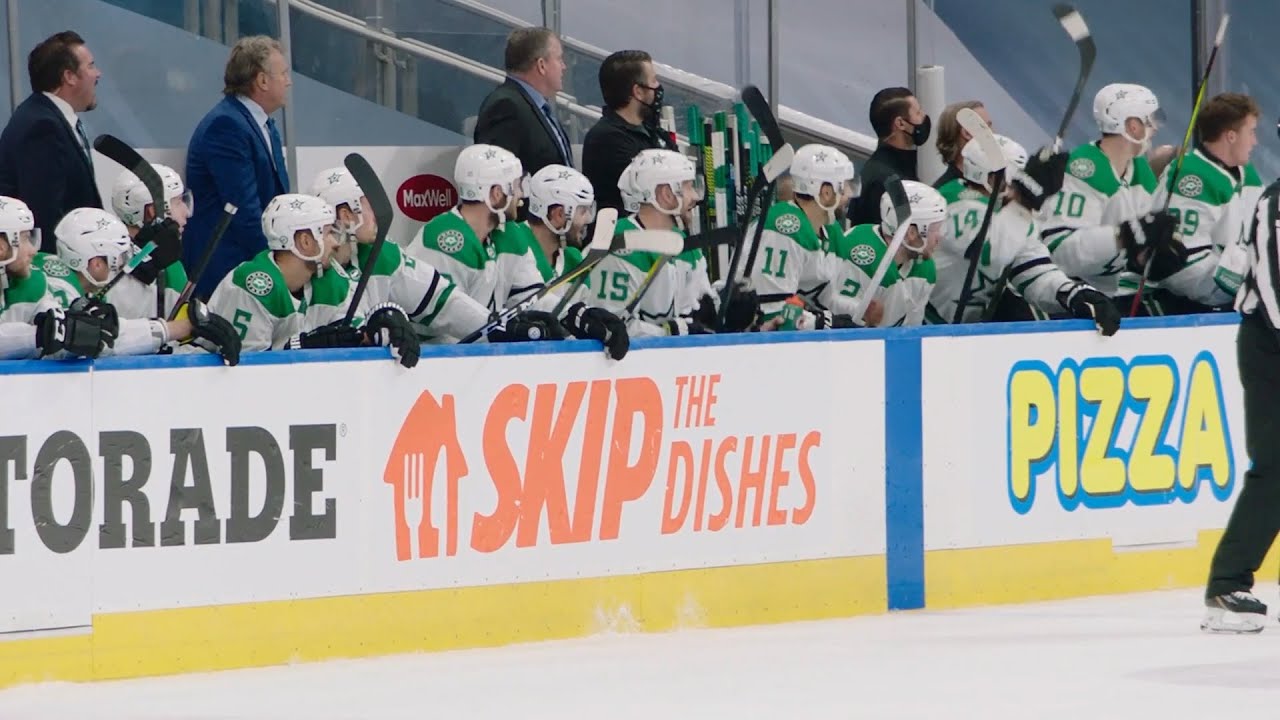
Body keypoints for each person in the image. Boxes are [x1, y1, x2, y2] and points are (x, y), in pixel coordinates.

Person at [408, 144, 629, 356]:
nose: (521, 196)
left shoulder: (509, 235)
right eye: (514, 187)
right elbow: (445, 315)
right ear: (496, 194)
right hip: (429, 364)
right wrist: (502, 328)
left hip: (475, 361)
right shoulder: (444, 238)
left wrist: (577, 316)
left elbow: (532, 298)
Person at [930, 136, 1118, 336]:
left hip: (964, 335)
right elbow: (991, 251)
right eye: (1015, 178)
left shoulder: (1011, 217)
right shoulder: (950, 204)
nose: (1017, 185)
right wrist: (1024, 202)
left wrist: (1071, 294)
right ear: (990, 178)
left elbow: (1033, 272)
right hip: (925, 329)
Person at [1200, 163, 1280, 634]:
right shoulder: (1274, 203)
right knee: (1275, 465)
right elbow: (1273, 290)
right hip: (1269, 347)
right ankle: (1227, 584)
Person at [206, 192, 417, 366]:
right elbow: (243, 368)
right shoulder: (254, 284)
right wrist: (301, 346)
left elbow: (354, 333)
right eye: (327, 233)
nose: (335, 242)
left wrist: (386, 321)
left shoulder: (329, 277)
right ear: (305, 241)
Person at [309, 166, 496, 343]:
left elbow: (440, 302)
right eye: (369, 204)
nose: (377, 212)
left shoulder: (381, 253)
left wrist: (496, 326)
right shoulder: (315, 273)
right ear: (347, 215)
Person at [1039, 83, 1186, 307]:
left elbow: (1143, 237)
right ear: (1133, 126)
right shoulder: (1083, 170)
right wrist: (1122, 237)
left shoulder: (1139, 168)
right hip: (1068, 304)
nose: (1156, 128)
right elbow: (1060, 253)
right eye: (1151, 120)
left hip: (1113, 296)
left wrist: (1155, 254)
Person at [40, 207, 239, 363]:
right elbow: (101, 338)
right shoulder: (60, 292)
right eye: (118, 257)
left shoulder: (70, 278)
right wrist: (176, 328)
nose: (123, 264)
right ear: (96, 263)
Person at [185, 36, 292, 301]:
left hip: (253, 265)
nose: (288, 81)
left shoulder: (264, 124)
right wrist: (279, 264)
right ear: (262, 81)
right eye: (284, 74)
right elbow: (244, 212)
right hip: (228, 273)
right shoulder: (226, 127)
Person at [1148, 93, 1263, 315]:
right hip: (1181, 309)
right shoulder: (1191, 177)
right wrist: (1246, 288)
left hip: (1232, 301)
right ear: (1231, 136)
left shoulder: (1247, 173)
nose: (1255, 141)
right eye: (1251, 132)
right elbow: (1180, 266)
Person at [585, 148, 707, 336]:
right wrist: (670, 332)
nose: (696, 197)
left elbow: (696, 311)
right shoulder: (619, 244)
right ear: (667, 194)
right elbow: (612, 328)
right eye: (688, 187)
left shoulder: (686, 247)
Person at [0, 31, 103, 251]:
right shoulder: (42, 127)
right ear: (69, 76)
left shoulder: (49, 118)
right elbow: (44, 216)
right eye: (91, 66)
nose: (98, 74)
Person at [734, 143, 854, 327]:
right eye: (843, 188)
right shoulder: (783, 228)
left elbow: (825, 298)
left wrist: (861, 311)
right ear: (826, 192)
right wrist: (825, 322)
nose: (849, 195)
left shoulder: (829, 230)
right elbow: (774, 314)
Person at [0, 196, 113, 359]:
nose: (33, 251)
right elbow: (44, 335)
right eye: (24, 238)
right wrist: (38, 335)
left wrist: (84, 327)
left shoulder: (31, 283)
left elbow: (59, 335)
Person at [581, 50, 677, 212]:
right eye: (653, 81)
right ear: (638, 91)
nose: (658, 87)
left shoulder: (653, 131)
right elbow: (654, 192)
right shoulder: (606, 139)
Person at [473, 27, 573, 176]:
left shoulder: (538, 106)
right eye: (559, 59)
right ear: (541, 65)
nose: (564, 67)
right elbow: (498, 178)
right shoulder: (505, 106)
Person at [110, 163, 192, 319]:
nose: (186, 212)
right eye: (179, 202)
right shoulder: (167, 267)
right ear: (153, 210)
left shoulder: (104, 257)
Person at [846, 87, 932, 227]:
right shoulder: (886, 181)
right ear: (900, 123)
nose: (923, 116)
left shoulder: (900, 165)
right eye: (918, 112)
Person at [932, 100, 991, 188]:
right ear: (967, 133)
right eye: (987, 127)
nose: (994, 134)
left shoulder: (995, 184)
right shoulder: (942, 194)